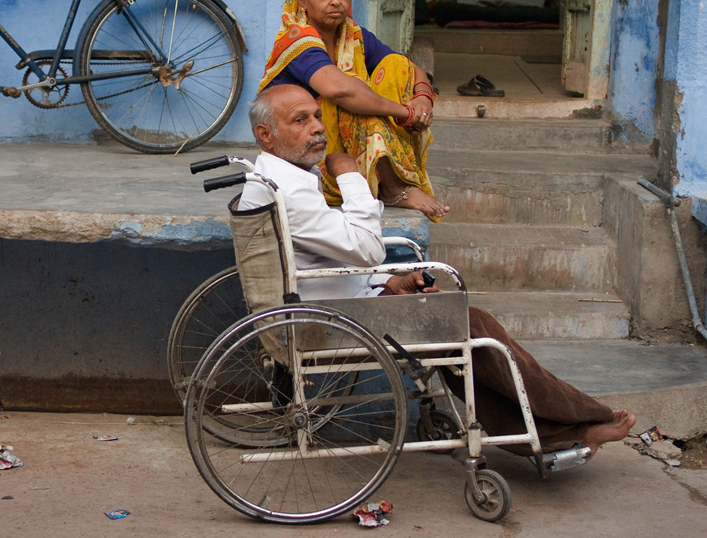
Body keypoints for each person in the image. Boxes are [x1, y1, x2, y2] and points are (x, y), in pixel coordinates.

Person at [239, 84, 636, 457]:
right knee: (476, 330)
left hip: (334, 304)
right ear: (266, 135)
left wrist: (389, 282)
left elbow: (324, 256)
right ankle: (583, 420)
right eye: (300, 121)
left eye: (316, 117)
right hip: (331, 322)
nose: (317, 129)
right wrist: (353, 178)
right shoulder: (289, 189)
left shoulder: (275, 178)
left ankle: (559, 432)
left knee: (461, 334)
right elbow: (366, 248)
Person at [260, 0, 450, 221]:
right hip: (301, 157)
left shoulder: (352, 36)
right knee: (354, 95)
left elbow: (408, 68)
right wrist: (403, 113)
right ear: (302, 0)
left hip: (336, 152)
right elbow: (337, 89)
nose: (336, 1)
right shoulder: (297, 41)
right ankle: (394, 189)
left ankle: (384, 177)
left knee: (394, 66)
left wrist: (422, 98)